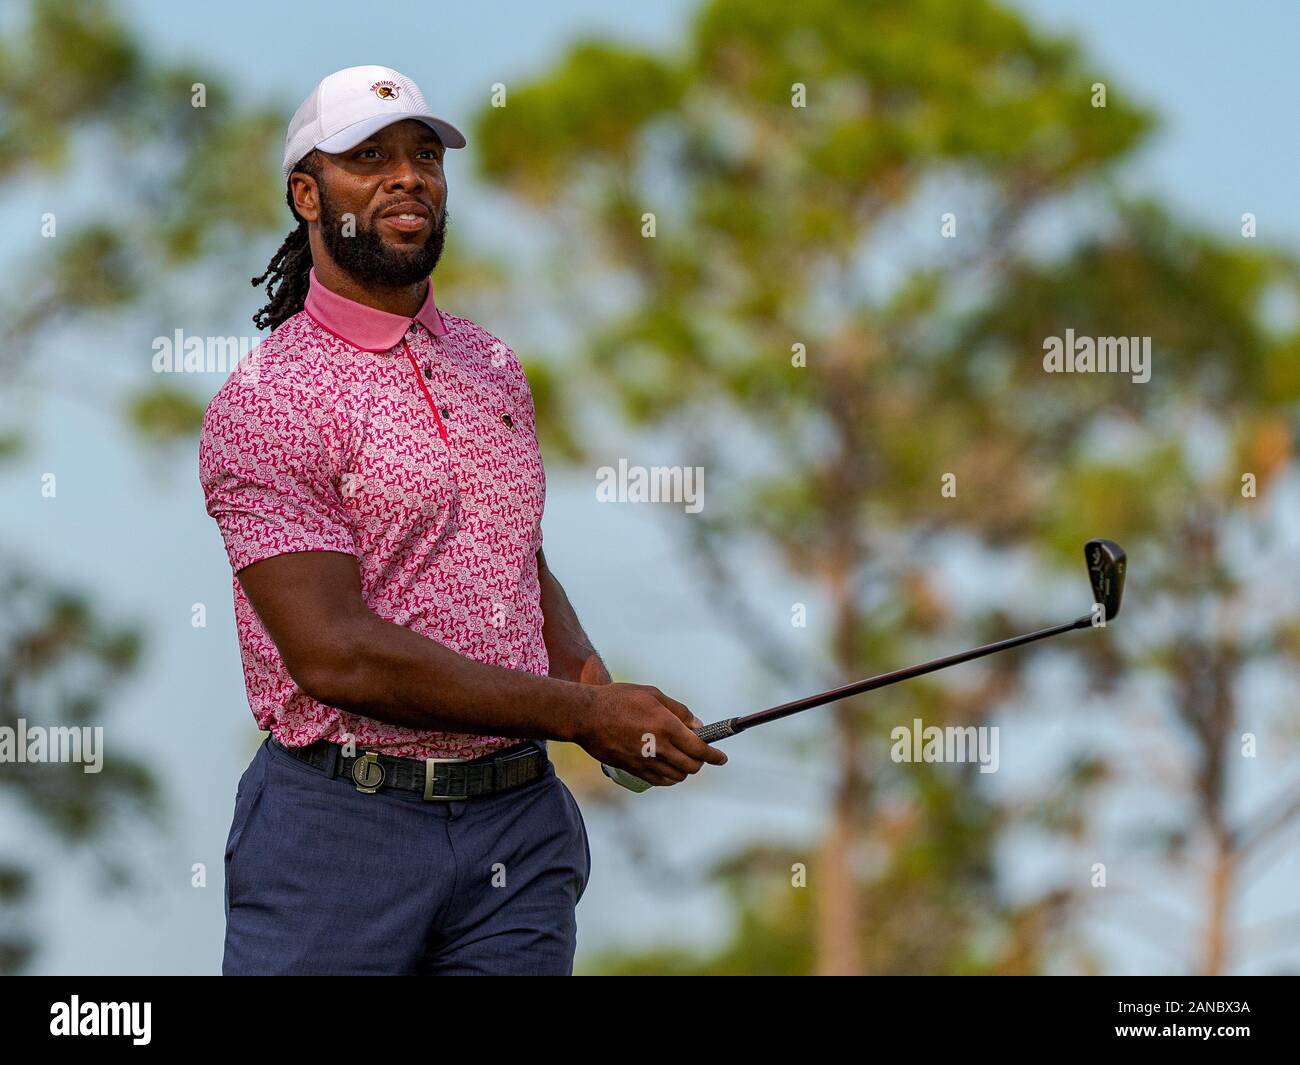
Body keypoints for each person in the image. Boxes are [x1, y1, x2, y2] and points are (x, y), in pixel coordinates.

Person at [198, 65, 726, 976]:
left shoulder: (492, 365)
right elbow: (336, 653)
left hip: (513, 833)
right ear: (307, 194)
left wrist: (601, 692)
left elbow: (517, 558)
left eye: (424, 155)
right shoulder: (266, 400)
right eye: (370, 157)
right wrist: (583, 710)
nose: (408, 176)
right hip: (340, 832)